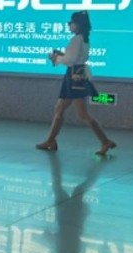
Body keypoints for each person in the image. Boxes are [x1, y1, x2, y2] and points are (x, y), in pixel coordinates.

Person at [37, 10, 116, 155]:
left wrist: (57, 58)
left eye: (71, 22)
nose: (69, 25)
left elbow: (71, 60)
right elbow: (76, 58)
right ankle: (50, 140)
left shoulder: (76, 40)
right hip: (77, 77)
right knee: (61, 110)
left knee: (80, 114)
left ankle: (105, 141)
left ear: (78, 24)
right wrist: (62, 56)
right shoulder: (84, 39)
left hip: (74, 79)